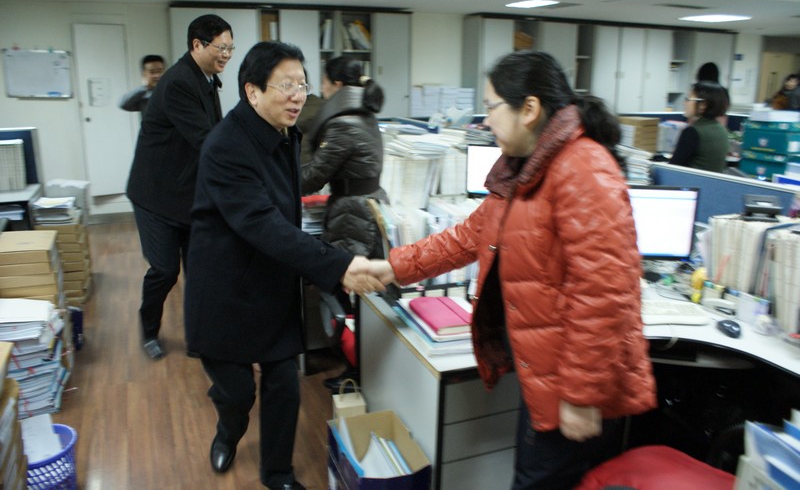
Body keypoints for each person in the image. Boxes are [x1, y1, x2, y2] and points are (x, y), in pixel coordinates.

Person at [367, 50, 657, 490]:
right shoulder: (525, 169)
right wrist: (391, 267)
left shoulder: (582, 167)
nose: (485, 121)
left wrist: (581, 396)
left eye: (491, 107)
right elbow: (467, 237)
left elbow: (606, 294)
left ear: (530, 109)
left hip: (573, 382)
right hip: (545, 370)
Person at [183, 41, 385, 490]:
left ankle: (278, 473)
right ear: (252, 91)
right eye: (287, 85)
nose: (298, 96)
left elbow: (283, 216)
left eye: (302, 85)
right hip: (226, 288)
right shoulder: (225, 145)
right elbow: (261, 223)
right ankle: (228, 429)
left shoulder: (285, 134)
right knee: (238, 392)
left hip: (271, 279)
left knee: (284, 385)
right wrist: (337, 265)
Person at [126, 14, 233, 360]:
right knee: (165, 269)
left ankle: (200, 336)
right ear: (197, 45)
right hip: (155, 197)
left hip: (187, 195)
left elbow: (215, 132)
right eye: (221, 48)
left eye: (230, 48)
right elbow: (207, 140)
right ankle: (149, 330)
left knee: (199, 270)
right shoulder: (179, 82)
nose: (226, 55)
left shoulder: (207, 79)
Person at [300, 56, 389, 391]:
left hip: (353, 213)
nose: (321, 91)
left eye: (323, 83)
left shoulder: (343, 123)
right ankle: (359, 368)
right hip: (366, 205)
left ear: (336, 85)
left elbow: (313, 177)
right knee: (360, 294)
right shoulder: (364, 113)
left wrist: (280, 174)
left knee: (350, 293)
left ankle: (356, 374)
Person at [670, 81, 730, 173]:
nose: (684, 103)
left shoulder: (692, 132)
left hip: (691, 181)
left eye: (689, 99)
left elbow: (672, 169)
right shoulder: (722, 130)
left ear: (703, 105)